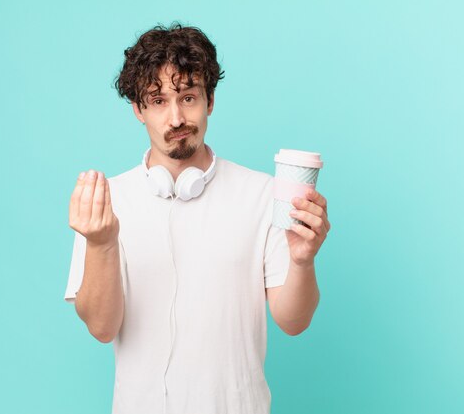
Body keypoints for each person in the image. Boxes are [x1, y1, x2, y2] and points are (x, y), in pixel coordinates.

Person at [64, 22, 331, 414]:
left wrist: (303, 260)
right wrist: (101, 243)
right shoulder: (106, 202)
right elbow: (102, 328)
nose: (175, 118)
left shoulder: (262, 195)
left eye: (188, 97)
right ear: (138, 110)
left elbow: (294, 321)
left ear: (210, 101)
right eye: (157, 101)